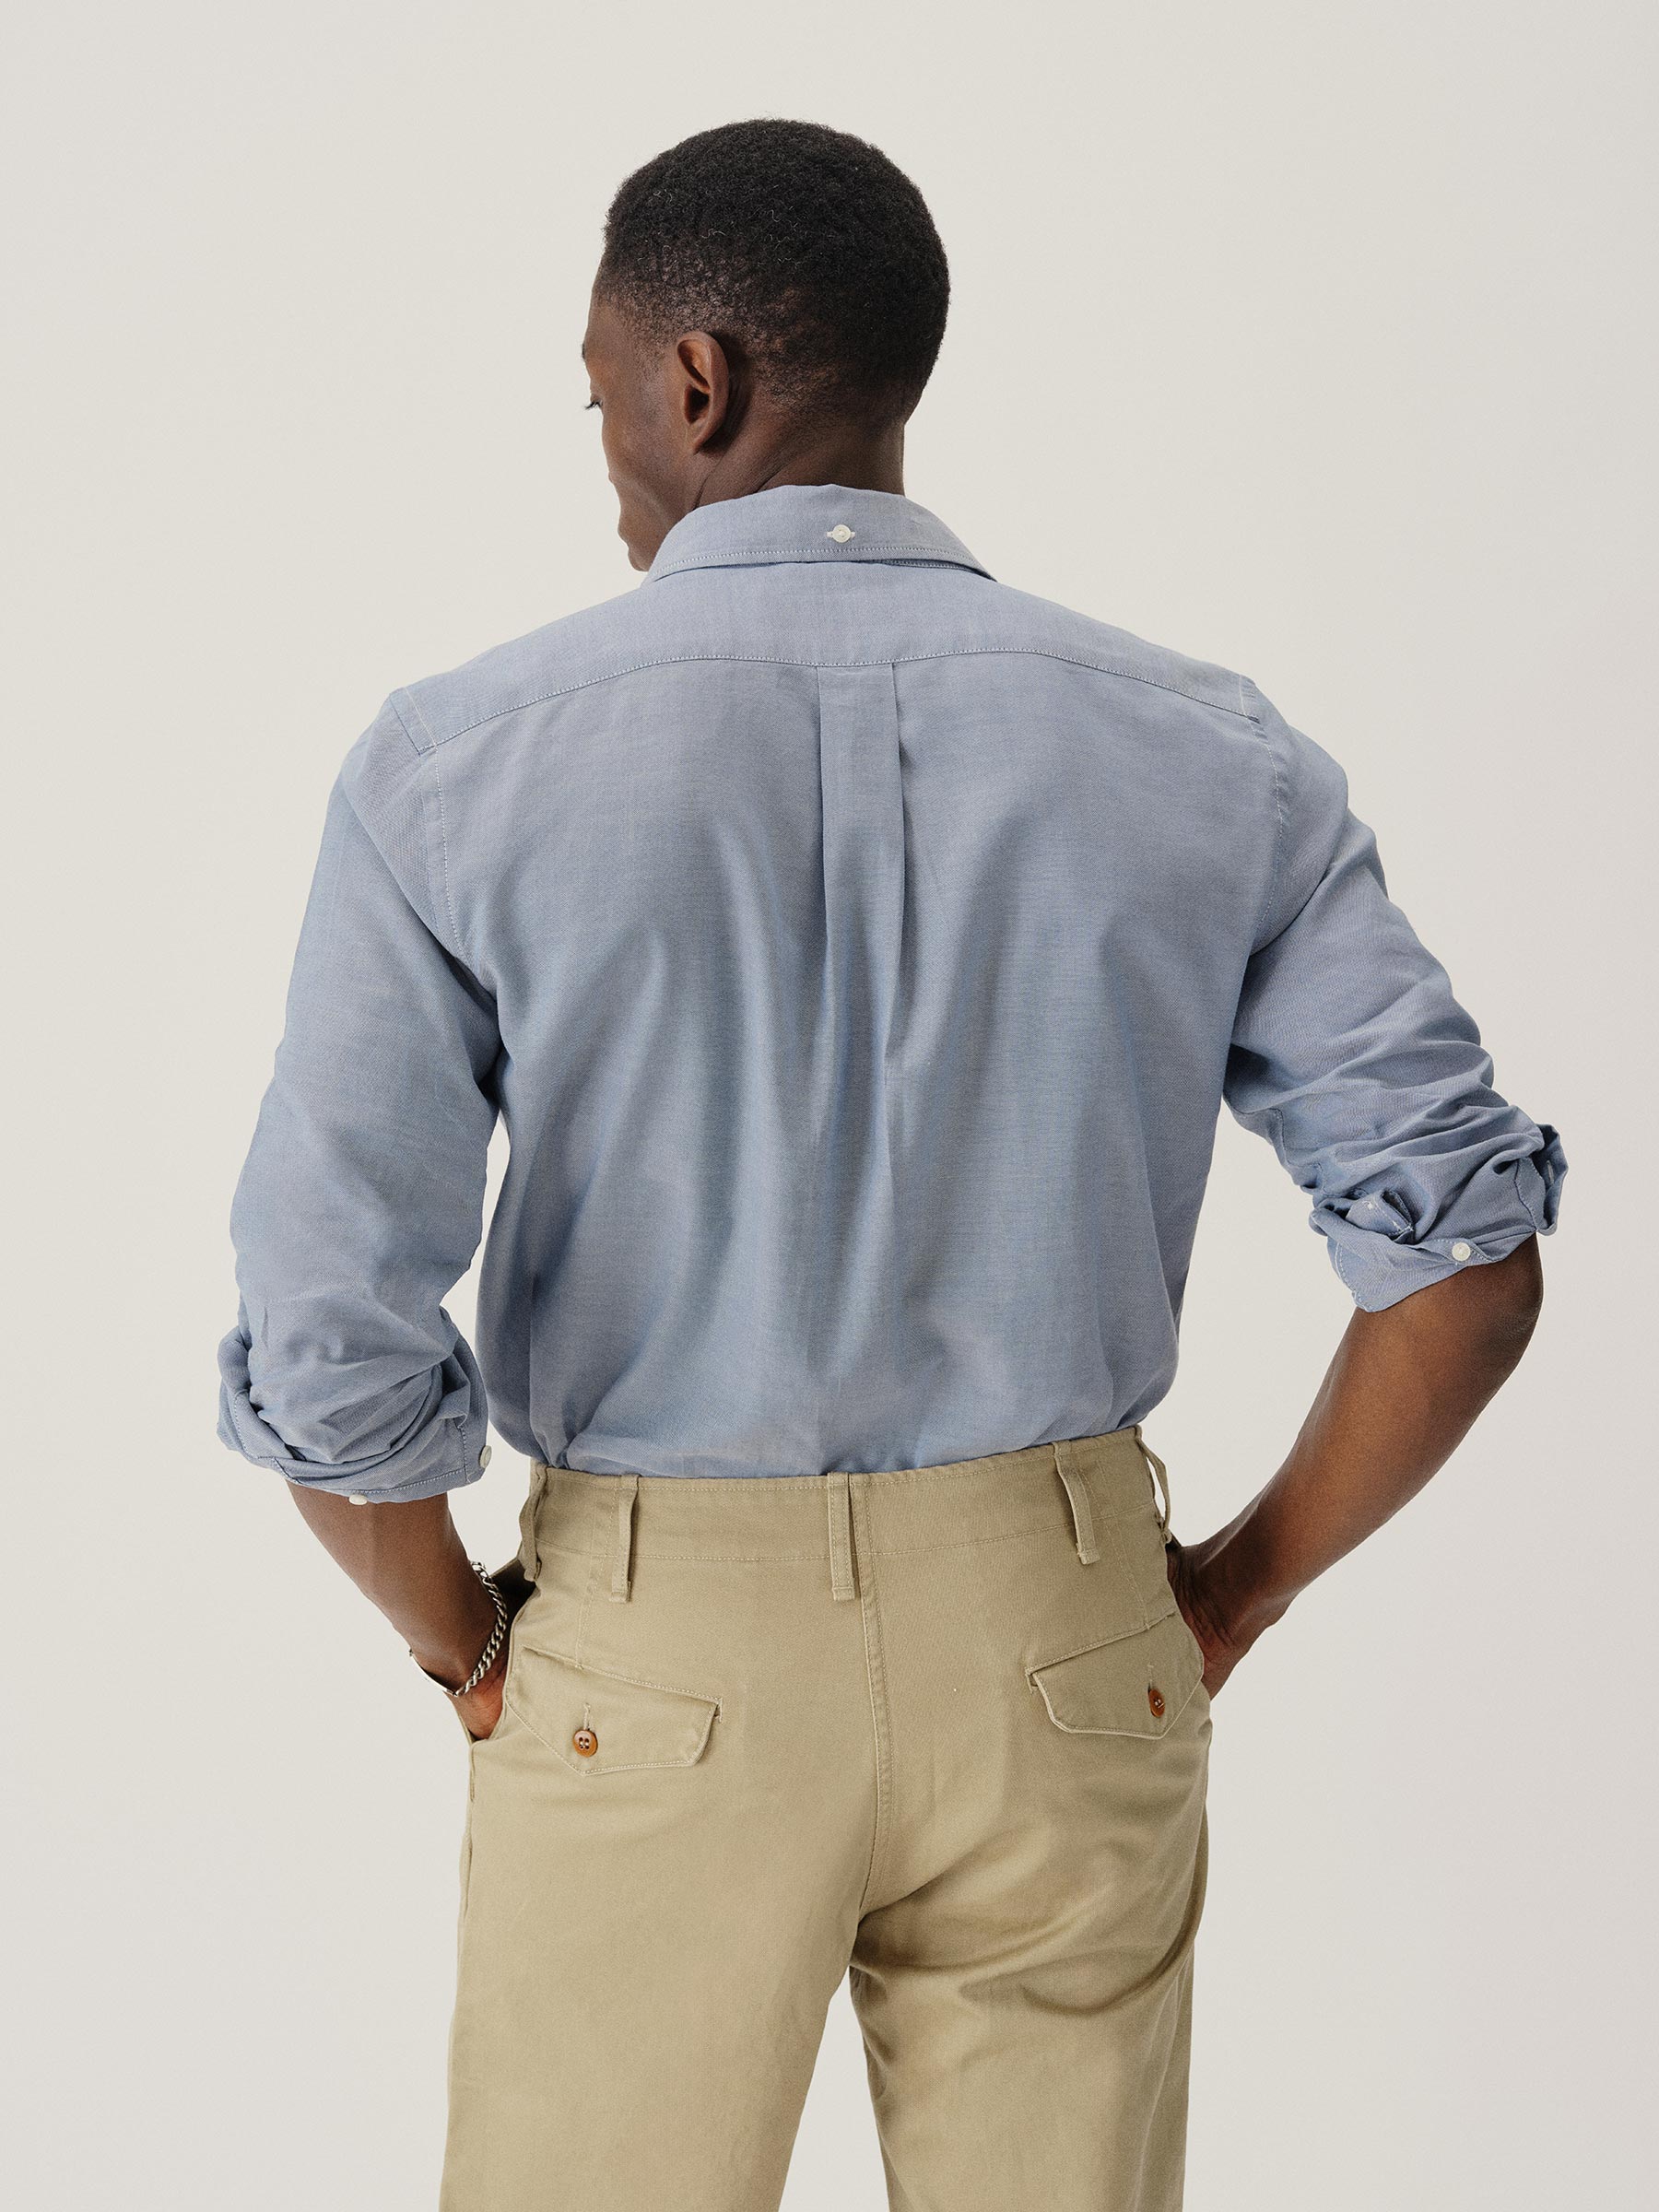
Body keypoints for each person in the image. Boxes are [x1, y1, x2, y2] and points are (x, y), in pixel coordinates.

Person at [215, 117, 1566, 2212]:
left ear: (696, 383)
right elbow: (1468, 1262)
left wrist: (464, 1645)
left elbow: (327, 1319)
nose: (604, 449)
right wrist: (1237, 1586)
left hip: (653, 1657)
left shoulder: (455, 765)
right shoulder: (1210, 751)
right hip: (1064, 1641)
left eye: (601, 392)